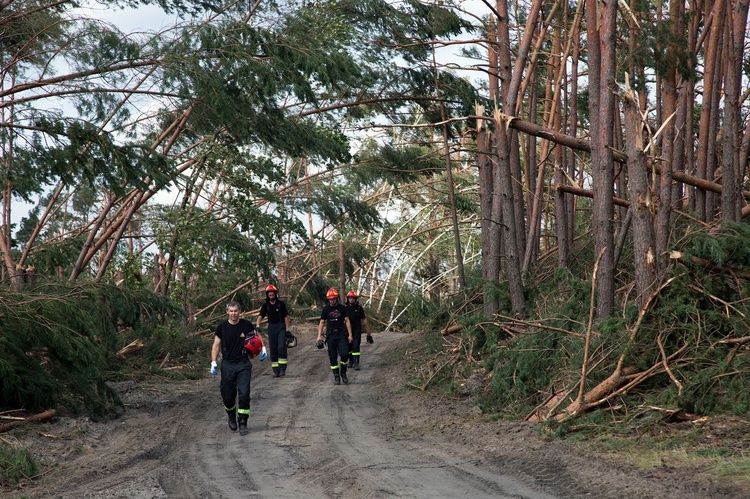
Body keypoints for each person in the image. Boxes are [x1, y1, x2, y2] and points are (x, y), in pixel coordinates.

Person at [211, 301, 260, 436]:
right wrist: (213, 362)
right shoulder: (222, 327)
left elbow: (256, 338)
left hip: (243, 363)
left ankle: (243, 422)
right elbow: (216, 345)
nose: (233, 313)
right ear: (227, 312)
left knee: (244, 394)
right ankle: (231, 415)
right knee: (228, 396)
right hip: (228, 364)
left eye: (236, 311)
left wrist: (263, 350)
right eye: (231, 311)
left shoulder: (246, 325)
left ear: (240, 311)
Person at [316, 287, 353, 385]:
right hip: (331, 335)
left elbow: (347, 321)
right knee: (332, 357)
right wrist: (319, 336)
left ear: (337, 298)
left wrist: (350, 335)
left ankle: (343, 373)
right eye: (330, 299)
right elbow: (322, 322)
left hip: (341, 334)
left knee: (345, 354)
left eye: (333, 298)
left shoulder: (342, 308)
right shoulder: (326, 309)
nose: (332, 301)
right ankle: (336, 376)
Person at [256, 284, 291, 377]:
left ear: (275, 294)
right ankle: (276, 370)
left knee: (281, 347)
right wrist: (257, 325)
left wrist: (288, 330)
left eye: (272, 295)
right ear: (267, 295)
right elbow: (260, 316)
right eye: (269, 295)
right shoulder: (265, 306)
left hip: (281, 326)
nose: (271, 296)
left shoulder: (281, 304)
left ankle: (282, 368)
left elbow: (286, 317)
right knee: (273, 348)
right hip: (271, 328)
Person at [345, 290, 372, 371]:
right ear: (348, 299)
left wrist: (368, 332)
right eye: (350, 298)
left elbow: (364, 319)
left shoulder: (359, 308)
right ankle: (351, 361)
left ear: (356, 299)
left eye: (353, 298)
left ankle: (356, 363)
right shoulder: (345, 308)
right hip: (347, 331)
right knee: (348, 347)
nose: (351, 300)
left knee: (356, 346)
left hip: (357, 330)